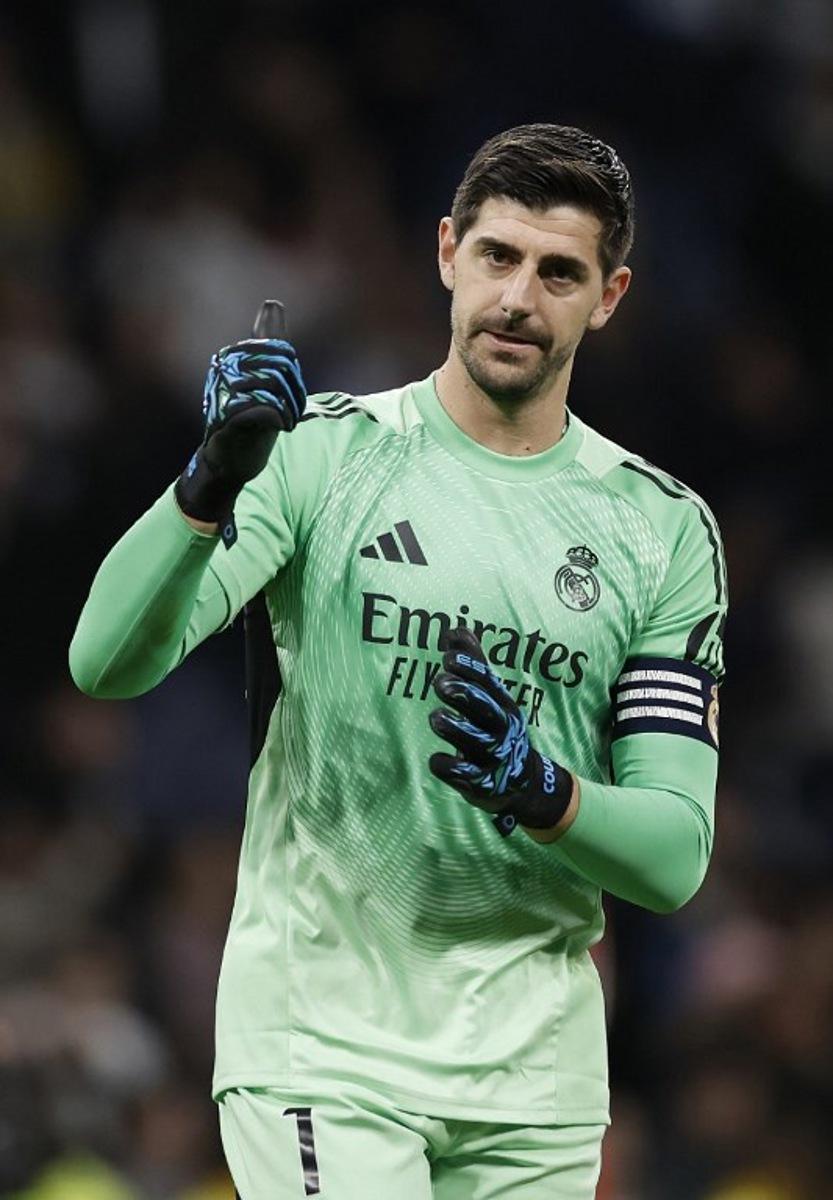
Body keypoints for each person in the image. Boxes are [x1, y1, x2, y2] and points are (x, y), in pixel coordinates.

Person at [70, 123, 727, 1200]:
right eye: (497, 257)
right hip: (323, 1048)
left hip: (533, 1081)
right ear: (444, 255)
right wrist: (207, 484)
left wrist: (545, 794)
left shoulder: (658, 530)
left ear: (607, 297)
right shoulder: (321, 457)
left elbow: (671, 856)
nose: (519, 297)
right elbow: (105, 662)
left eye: (558, 273)